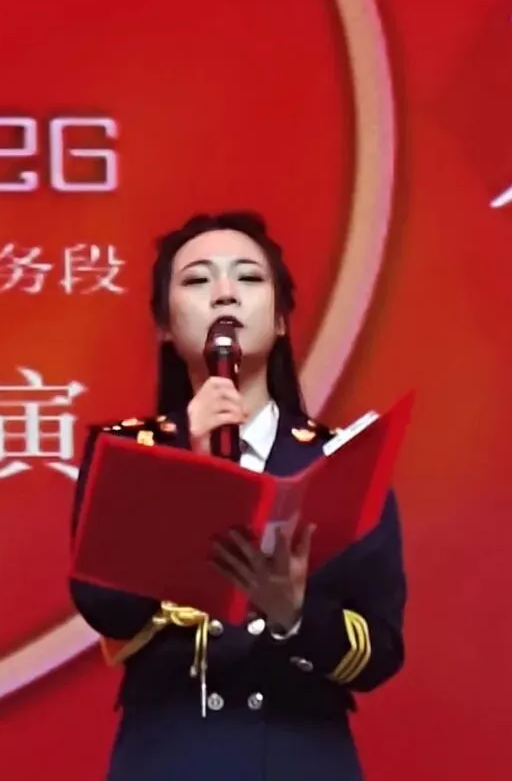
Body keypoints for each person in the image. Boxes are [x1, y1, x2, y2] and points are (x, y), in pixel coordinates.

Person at [68, 211, 407, 781]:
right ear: (165, 327)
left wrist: (292, 616)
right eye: (197, 280)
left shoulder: (340, 461)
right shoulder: (126, 453)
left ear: (280, 320)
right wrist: (186, 463)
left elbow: (381, 649)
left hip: (302, 756)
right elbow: (103, 603)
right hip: (171, 757)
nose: (225, 293)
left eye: (248, 278)